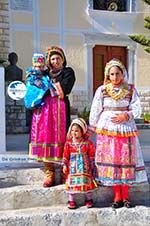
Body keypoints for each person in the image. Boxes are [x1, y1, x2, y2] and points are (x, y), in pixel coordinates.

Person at [89, 58, 148, 208]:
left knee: (125, 160)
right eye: (112, 74)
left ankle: (126, 195)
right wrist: (92, 127)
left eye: (117, 74)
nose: (115, 77)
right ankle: (117, 196)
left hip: (125, 128)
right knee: (113, 161)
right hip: (107, 130)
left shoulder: (130, 90)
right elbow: (96, 109)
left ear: (123, 74)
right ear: (108, 75)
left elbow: (137, 108)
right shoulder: (102, 90)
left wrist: (126, 115)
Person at [40, 46, 75, 186]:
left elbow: (66, 88)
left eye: (58, 58)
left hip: (61, 109)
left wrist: (47, 87)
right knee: (47, 137)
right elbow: (38, 88)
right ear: (49, 61)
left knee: (62, 136)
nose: (55, 61)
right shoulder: (44, 74)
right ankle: (49, 172)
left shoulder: (68, 72)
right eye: (53, 59)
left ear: (63, 59)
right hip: (46, 110)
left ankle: (65, 170)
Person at [62, 118, 97, 209]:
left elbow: (91, 155)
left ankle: (88, 199)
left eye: (77, 131)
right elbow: (65, 155)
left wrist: (92, 164)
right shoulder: (68, 144)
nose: (74, 133)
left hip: (85, 167)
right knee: (71, 183)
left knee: (86, 183)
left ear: (82, 131)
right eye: (72, 130)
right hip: (72, 168)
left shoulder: (87, 143)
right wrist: (65, 164)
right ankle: (71, 200)